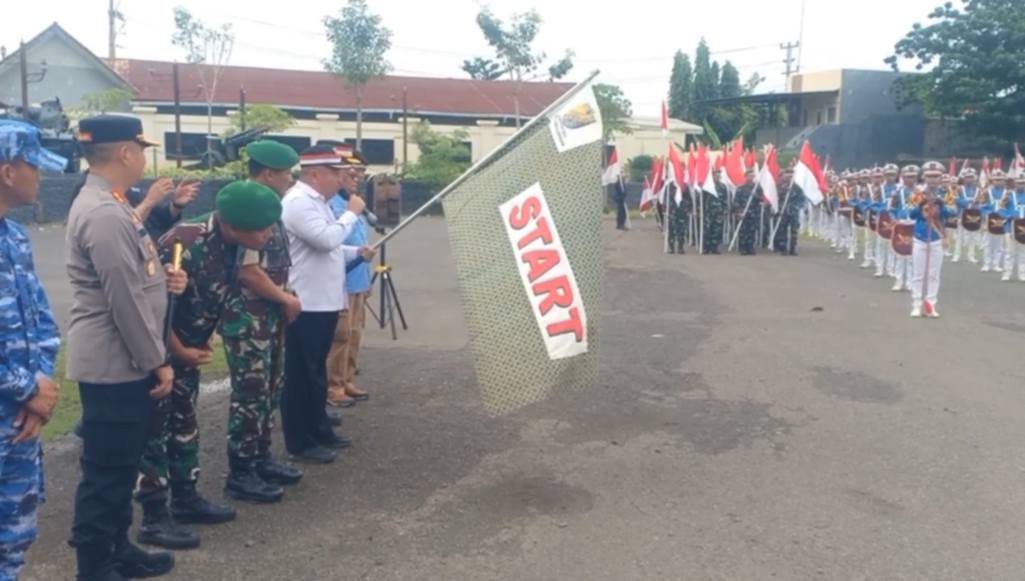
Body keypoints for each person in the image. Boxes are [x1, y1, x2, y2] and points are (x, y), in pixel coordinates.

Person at [65, 114, 184, 581]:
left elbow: (138, 277)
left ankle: (118, 547)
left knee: (123, 462)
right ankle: (94, 565)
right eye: (141, 148)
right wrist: (157, 360)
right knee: (106, 471)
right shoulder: (103, 211)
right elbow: (124, 299)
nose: (143, 157)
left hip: (124, 360)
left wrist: (166, 279)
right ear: (126, 153)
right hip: (116, 362)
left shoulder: (110, 203)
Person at [136, 180, 281, 548]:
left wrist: (200, 341)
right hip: (157, 354)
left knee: (185, 422)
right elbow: (149, 309)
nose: (267, 235)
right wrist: (178, 350)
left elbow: (215, 294)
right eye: (261, 229)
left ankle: (185, 498)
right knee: (155, 431)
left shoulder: (232, 243)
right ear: (232, 225)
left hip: (188, 350)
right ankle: (153, 517)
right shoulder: (184, 243)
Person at [219, 140, 305, 505]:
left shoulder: (269, 205)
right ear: (268, 172)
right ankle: (241, 471)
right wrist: (285, 297)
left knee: (271, 386)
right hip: (248, 316)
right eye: (286, 173)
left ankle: (261, 457)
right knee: (251, 393)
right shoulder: (247, 204)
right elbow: (248, 271)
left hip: (270, 311)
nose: (290, 180)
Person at [280, 144, 374, 464]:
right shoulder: (298, 203)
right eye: (335, 172)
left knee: (315, 369)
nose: (341, 177)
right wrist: (352, 213)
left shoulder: (317, 202)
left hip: (323, 299)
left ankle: (318, 428)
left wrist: (355, 252)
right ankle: (300, 440)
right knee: (301, 372)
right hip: (306, 302)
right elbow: (326, 239)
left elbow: (330, 247)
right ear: (314, 173)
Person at [0, 120, 63, 581]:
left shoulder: (15, 237)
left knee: (14, 536)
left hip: (20, 419)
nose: (39, 176)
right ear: (7, 171)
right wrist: (26, 388)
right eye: (33, 166)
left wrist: (40, 385)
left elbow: (42, 319)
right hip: (15, 402)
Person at [327, 151, 373, 407]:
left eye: (361, 173)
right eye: (352, 172)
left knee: (354, 334)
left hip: (357, 277)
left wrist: (366, 282)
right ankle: (333, 385)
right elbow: (334, 239)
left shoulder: (353, 202)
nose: (357, 177)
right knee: (340, 335)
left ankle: (345, 379)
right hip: (341, 279)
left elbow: (359, 240)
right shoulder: (333, 204)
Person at [908, 161, 954, 318]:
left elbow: (953, 211)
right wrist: (919, 205)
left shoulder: (946, 193)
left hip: (937, 236)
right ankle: (916, 304)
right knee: (918, 273)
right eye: (929, 176)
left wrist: (943, 206)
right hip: (920, 236)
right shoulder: (917, 193)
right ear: (924, 177)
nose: (933, 179)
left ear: (941, 178)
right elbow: (909, 213)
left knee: (934, 274)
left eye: (936, 176)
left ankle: (931, 304)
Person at [732, 168, 761, 255]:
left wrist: (756, 196)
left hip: (754, 212)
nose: (751, 178)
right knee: (743, 230)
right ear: (746, 176)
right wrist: (738, 212)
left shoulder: (757, 187)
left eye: (753, 176)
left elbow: (763, 199)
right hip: (743, 212)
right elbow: (736, 201)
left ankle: (750, 247)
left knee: (752, 231)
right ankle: (743, 248)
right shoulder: (740, 188)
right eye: (749, 176)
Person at [702, 168, 727, 254]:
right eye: (716, 175)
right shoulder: (707, 187)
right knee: (707, 229)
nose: (717, 177)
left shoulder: (723, 187)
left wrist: (725, 211)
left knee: (717, 230)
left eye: (719, 175)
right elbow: (702, 199)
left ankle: (714, 247)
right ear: (712, 176)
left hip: (719, 212)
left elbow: (725, 200)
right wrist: (700, 210)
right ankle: (706, 247)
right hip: (708, 211)